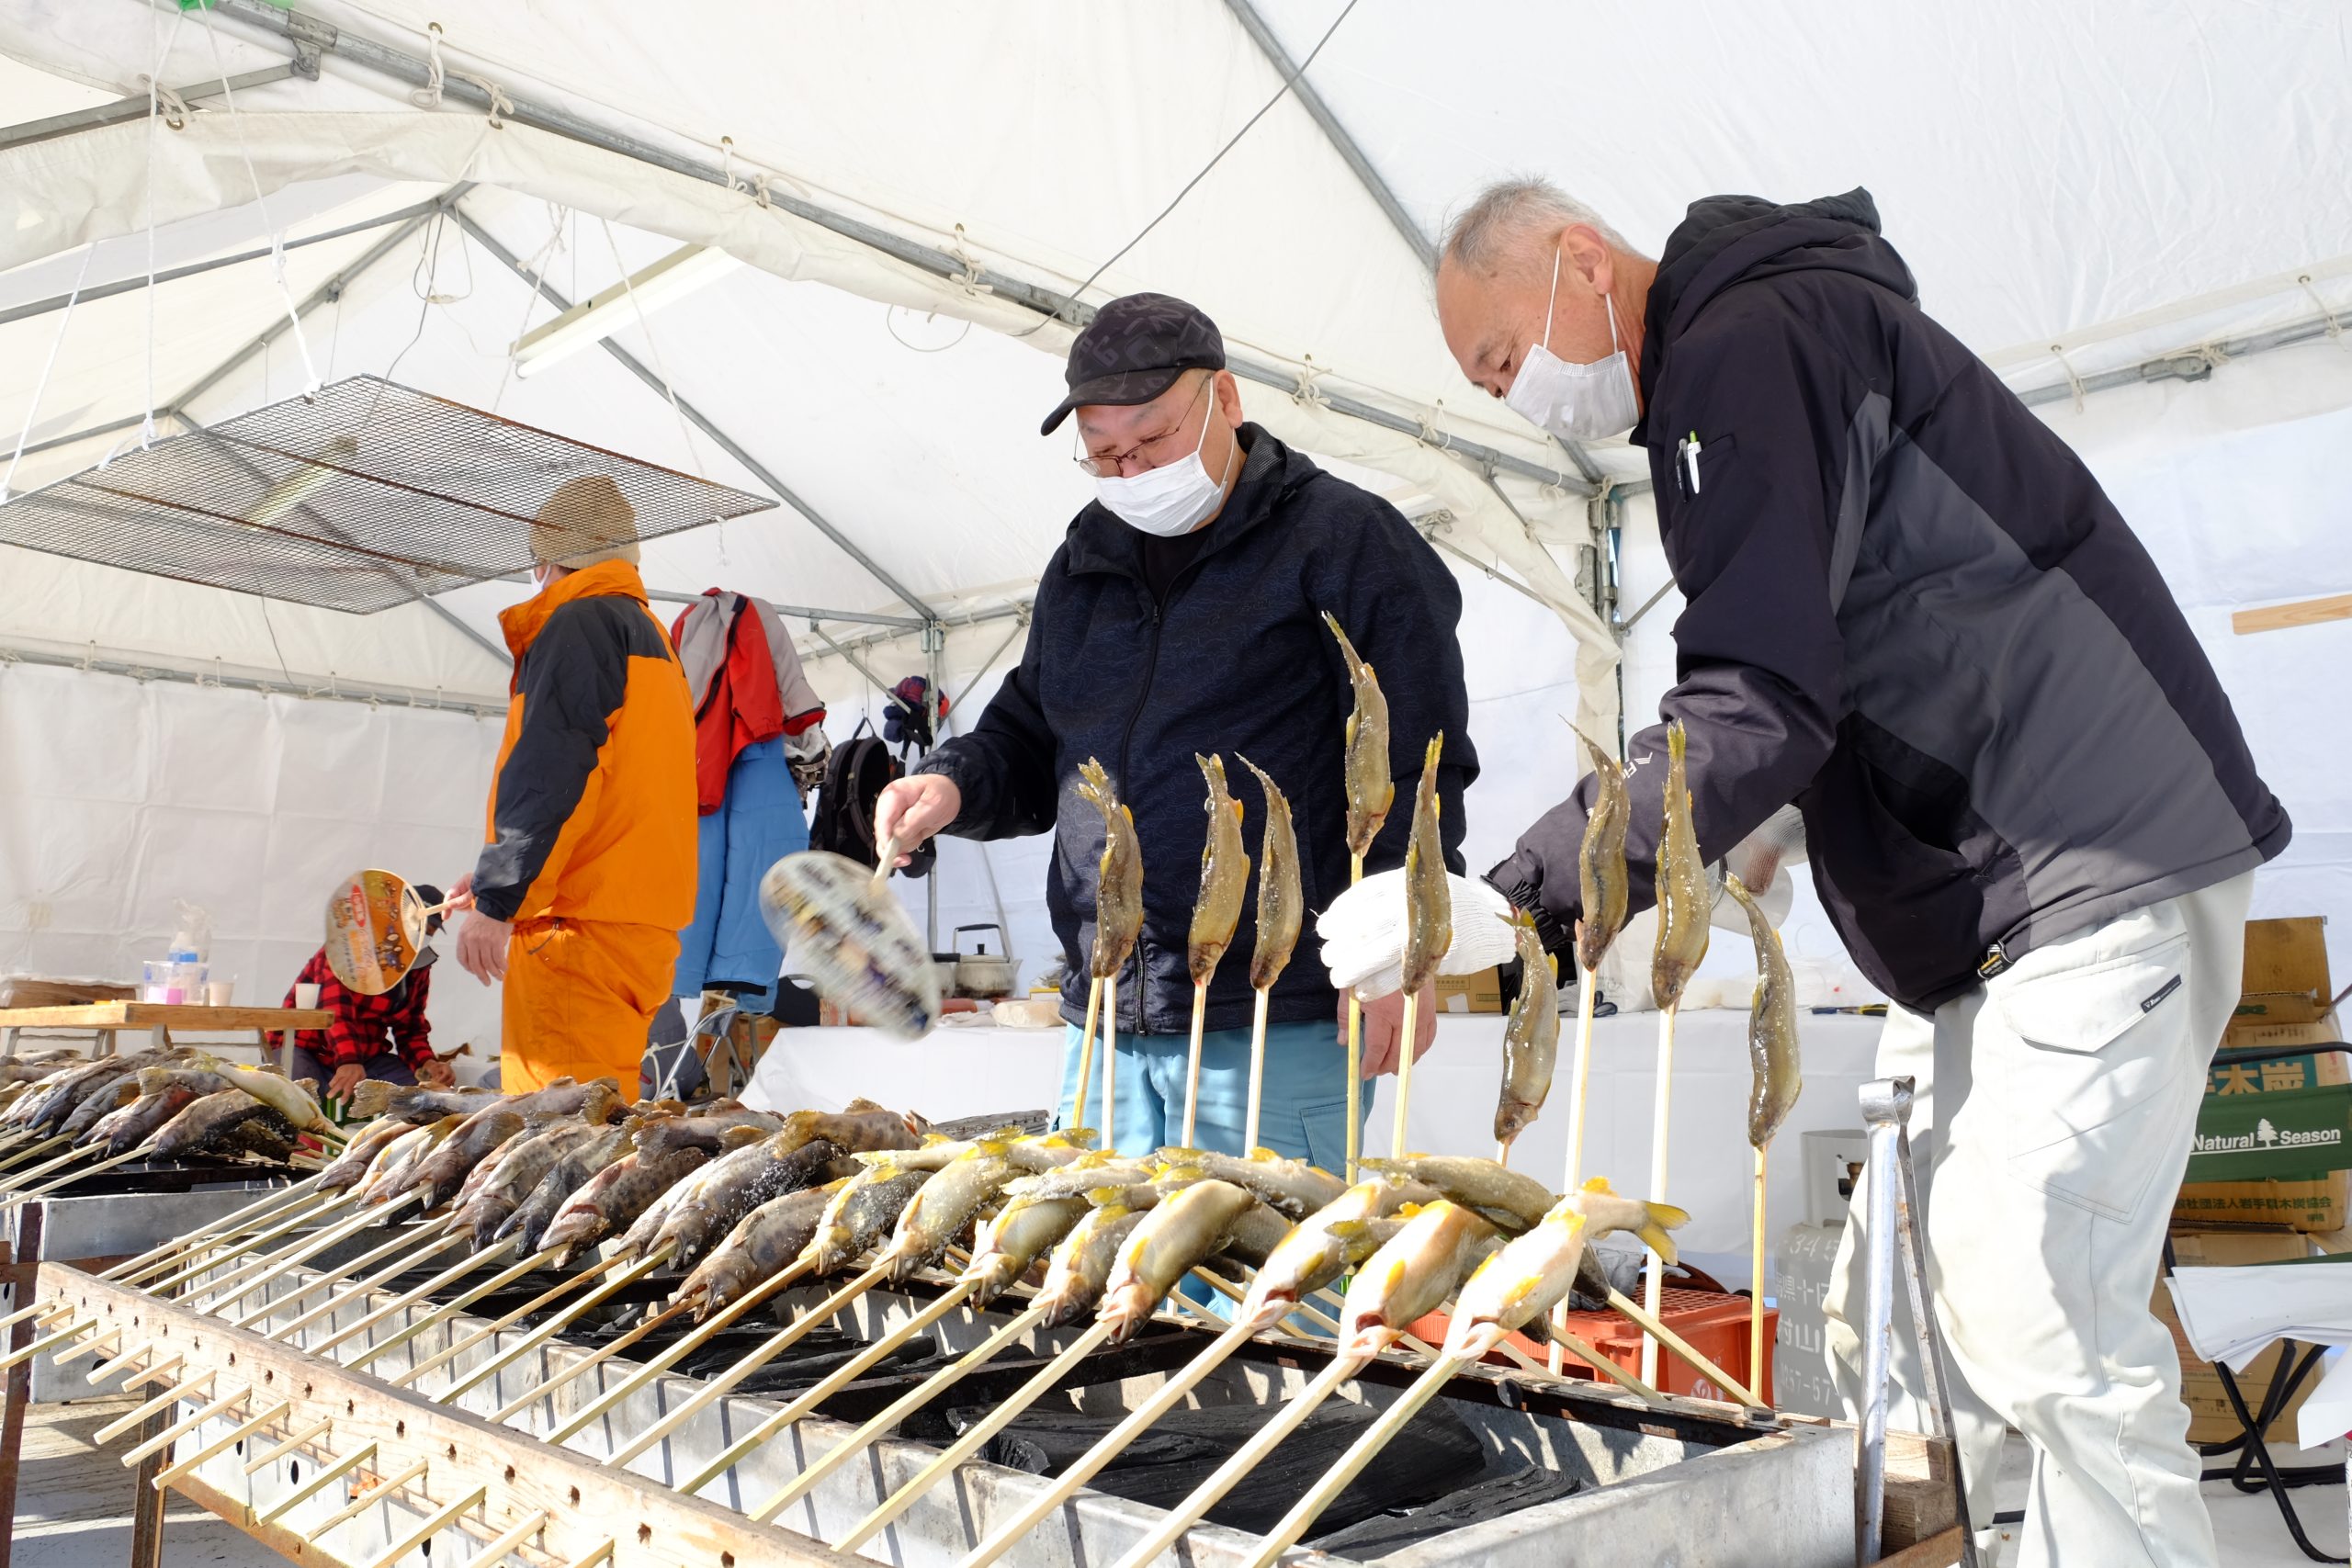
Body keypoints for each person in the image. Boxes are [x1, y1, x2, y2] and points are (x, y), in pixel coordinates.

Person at [1403, 178, 2289, 1566]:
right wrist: (1758, 836)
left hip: (2085, 868)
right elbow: (1862, 644)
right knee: (1890, 1315)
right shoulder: (1767, 345)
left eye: (1506, 359)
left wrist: (1526, 889)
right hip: (1999, 907)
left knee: (2039, 1309)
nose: (1520, 398)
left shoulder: (1739, 347)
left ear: (1581, 261)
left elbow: (1758, 691)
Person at [874, 292, 1476, 1167]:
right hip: (1105, 1011)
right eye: (1105, 454)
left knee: (1258, 1292)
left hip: (1274, 1010)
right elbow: (1034, 732)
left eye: (1151, 443)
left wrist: (1399, 951)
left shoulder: (1345, 540)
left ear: (1225, 400)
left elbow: (1425, 763)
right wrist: (954, 780)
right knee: (1104, 1287)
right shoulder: (1084, 561)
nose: (1130, 474)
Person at [445, 475, 697, 1100]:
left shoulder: (578, 624)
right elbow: (614, 791)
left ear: (548, 560)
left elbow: (554, 774)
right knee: (600, 1129)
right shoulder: (652, 639)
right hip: (634, 930)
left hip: (574, 932)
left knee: (555, 1146)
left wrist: (500, 897)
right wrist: (492, 880)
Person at [277, 886, 458, 1100]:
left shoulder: (419, 967)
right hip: (305, 1048)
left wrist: (427, 1064)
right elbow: (335, 1010)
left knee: (424, 1095)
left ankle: (393, 1132)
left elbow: (410, 1027)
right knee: (298, 1096)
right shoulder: (347, 947)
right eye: (417, 925)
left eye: (429, 932)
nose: (422, 936)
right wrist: (348, 1060)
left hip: (364, 1057)